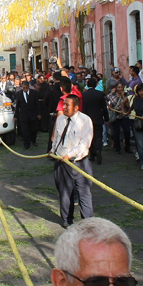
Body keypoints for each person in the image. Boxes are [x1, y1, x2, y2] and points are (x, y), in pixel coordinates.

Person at [51, 95, 94, 228]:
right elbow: (57, 138)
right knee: (65, 193)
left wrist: (69, 155)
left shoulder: (85, 120)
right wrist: (53, 151)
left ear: (76, 108)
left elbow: (85, 144)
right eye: (63, 104)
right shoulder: (60, 119)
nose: (63, 107)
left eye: (67, 105)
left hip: (79, 162)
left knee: (84, 193)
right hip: (62, 163)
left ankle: (87, 223)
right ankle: (67, 220)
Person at [81, 78, 109, 165]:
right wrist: (106, 119)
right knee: (98, 135)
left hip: (87, 119)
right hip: (98, 118)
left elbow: (83, 108)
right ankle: (98, 149)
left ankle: (92, 154)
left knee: (89, 136)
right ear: (96, 84)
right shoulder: (100, 94)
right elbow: (104, 108)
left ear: (87, 84)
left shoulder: (84, 95)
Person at [15, 80, 41, 150]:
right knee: (25, 130)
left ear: (28, 87)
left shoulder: (34, 93)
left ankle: (33, 140)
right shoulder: (19, 94)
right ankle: (26, 144)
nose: (25, 89)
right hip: (23, 115)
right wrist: (15, 116)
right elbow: (18, 105)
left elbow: (37, 104)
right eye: (24, 88)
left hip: (33, 114)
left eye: (26, 88)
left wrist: (39, 113)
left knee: (34, 129)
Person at [106, 82, 131, 154]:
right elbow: (105, 99)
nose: (120, 89)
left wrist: (123, 97)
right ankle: (117, 148)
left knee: (127, 131)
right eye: (119, 87)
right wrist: (109, 106)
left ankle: (127, 147)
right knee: (116, 132)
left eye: (121, 87)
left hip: (124, 116)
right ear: (116, 88)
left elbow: (128, 106)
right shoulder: (111, 95)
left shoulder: (126, 95)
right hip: (115, 116)